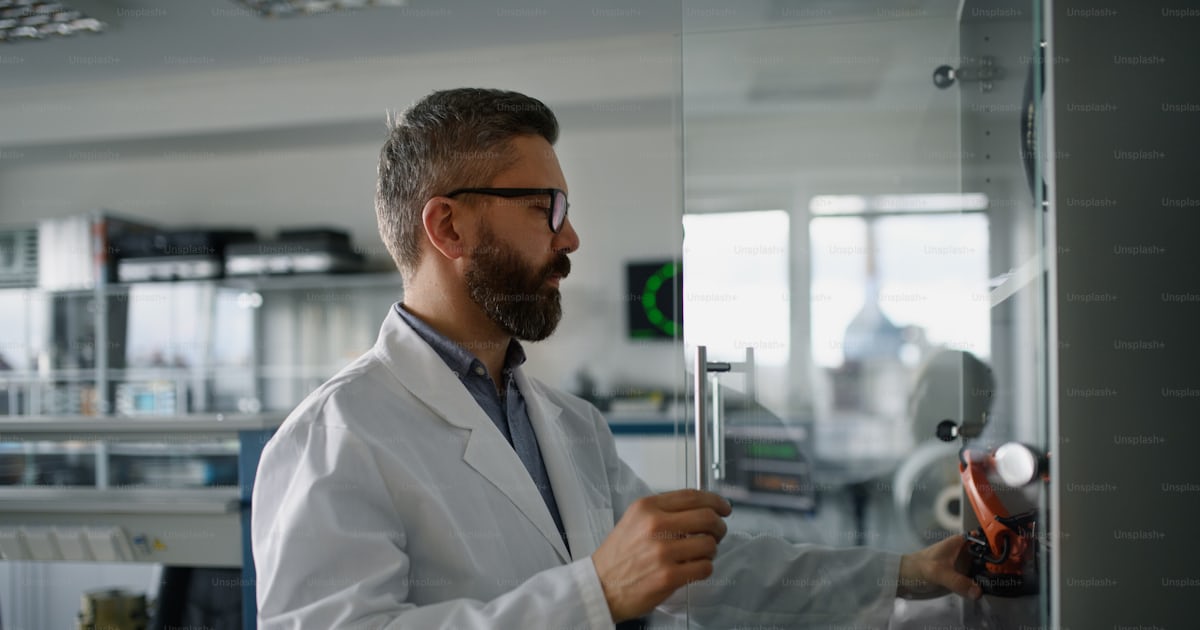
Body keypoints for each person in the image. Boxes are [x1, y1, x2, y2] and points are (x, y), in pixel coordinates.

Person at [251, 87, 982, 629]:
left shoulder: (567, 425)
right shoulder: (337, 436)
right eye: (546, 210)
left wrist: (908, 572)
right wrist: (593, 593)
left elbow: (692, 569)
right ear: (448, 226)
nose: (570, 241)